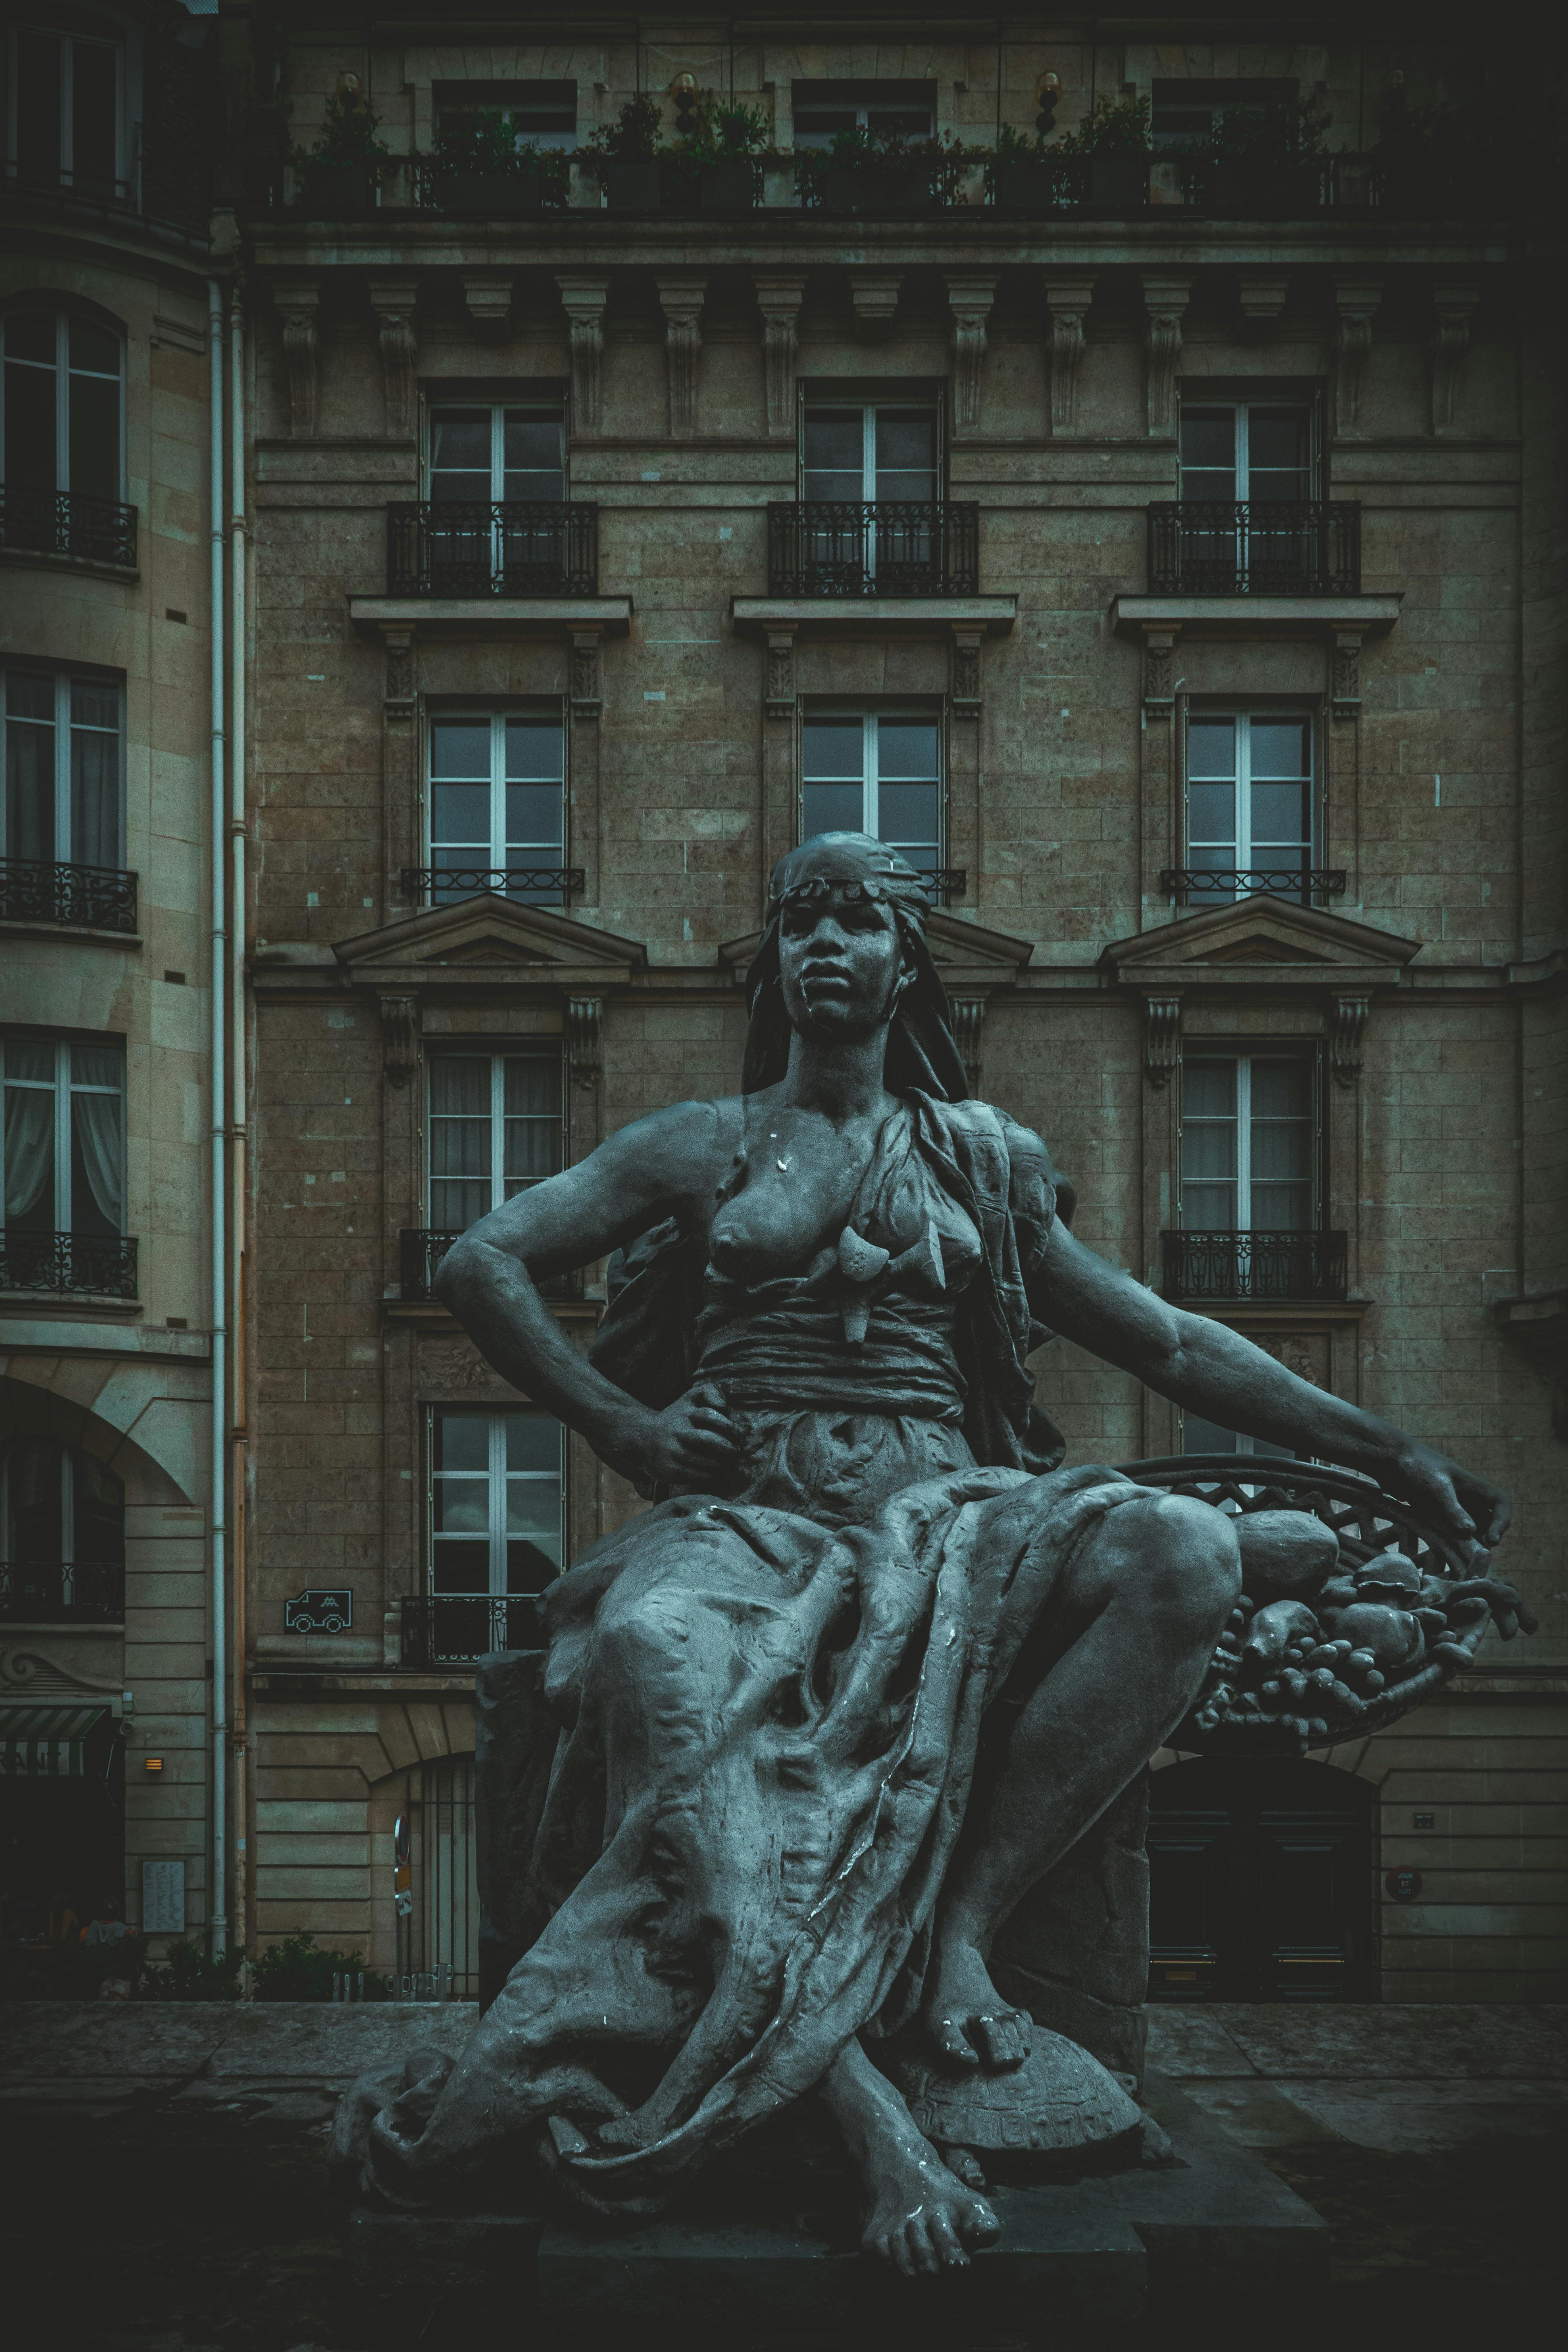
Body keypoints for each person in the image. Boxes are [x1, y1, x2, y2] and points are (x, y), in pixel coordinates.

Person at [336, 833, 1514, 2274]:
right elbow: (482, 1259)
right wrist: (629, 1432)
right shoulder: (699, 1142)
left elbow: (1164, 1336)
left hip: (945, 1505)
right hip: (742, 1511)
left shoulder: (982, 1152)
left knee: (1188, 1545)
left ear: (908, 960)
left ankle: (959, 1930)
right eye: (801, 923)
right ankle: (858, 2105)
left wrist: (1387, 1449)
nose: (826, 945)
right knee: (653, 1652)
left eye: (858, 920)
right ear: (773, 963)